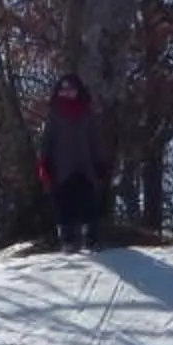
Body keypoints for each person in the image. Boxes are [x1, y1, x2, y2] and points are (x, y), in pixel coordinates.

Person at [36, 70, 112, 250]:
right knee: (64, 204)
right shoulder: (54, 114)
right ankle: (68, 241)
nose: (67, 93)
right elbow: (47, 140)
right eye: (63, 90)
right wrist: (44, 163)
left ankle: (92, 238)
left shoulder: (87, 113)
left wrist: (99, 162)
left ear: (78, 90)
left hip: (85, 166)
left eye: (70, 89)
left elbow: (94, 140)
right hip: (61, 166)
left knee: (89, 202)